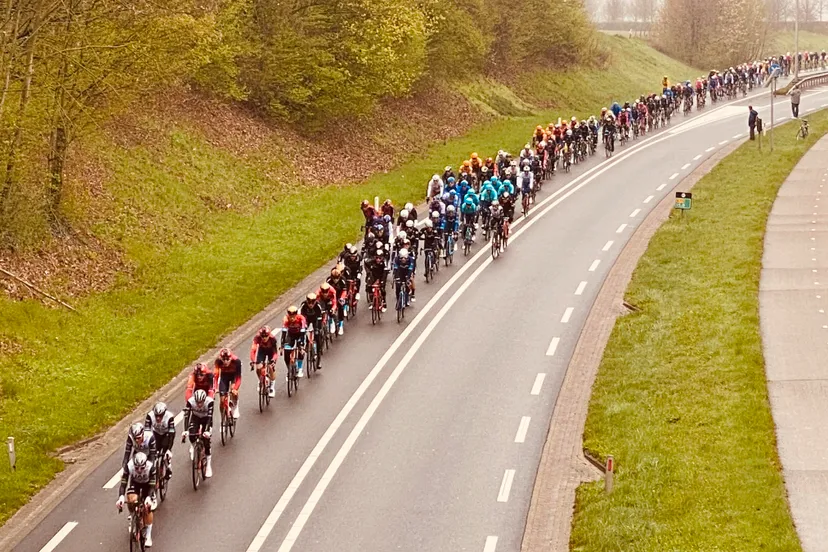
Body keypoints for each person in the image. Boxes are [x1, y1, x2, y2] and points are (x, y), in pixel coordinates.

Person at [116, 452, 157, 547]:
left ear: (145, 464)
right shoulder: (129, 466)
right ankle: (133, 515)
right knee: (131, 498)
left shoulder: (151, 467)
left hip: (148, 485)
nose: (139, 470)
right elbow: (124, 483)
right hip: (135, 484)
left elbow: (152, 485)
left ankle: (148, 535)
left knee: (148, 507)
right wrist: (121, 496)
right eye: (136, 468)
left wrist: (148, 498)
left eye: (142, 468)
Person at [182, 389, 214, 478]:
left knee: (206, 440)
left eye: (201, 402)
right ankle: (194, 445)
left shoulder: (209, 402)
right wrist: (185, 430)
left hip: (206, 419)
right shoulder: (190, 402)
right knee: (192, 434)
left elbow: (210, 417)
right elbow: (187, 416)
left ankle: (208, 465)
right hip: (195, 418)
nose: (199, 404)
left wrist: (207, 431)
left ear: (204, 400)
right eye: (198, 402)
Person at [144, 402, 175, 481]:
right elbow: (147, 432)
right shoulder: (150, 415)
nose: (158, 418)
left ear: (164, 414)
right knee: (152, 451)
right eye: (156, 416)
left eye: (160, 416)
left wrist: (169, 449)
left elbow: (172, 434)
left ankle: (168, 467)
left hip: (166, 434)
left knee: (165, 451)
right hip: (156, 434)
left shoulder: (169, 417)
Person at [249, 326, 278, 398]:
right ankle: (261, 380)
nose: (264, 338)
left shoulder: (272, 339)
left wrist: (273, 360)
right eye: (262, 336)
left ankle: (272, 387)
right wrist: (253, 361)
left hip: (271, 352)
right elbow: (253, 350)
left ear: (269, 335)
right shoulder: (257, 338)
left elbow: (275, 352)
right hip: (262, 351)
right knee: (258, 367)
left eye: (266, 336)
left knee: (271, 367)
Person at [280, 306, 308, 378]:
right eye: (290, 316)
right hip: (291, 335)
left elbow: (303, 332)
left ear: (296, 315)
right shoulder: (286, 319)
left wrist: (301, 345)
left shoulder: (301, 318)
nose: (292, 318)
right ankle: (289, 369)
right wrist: (282, 345)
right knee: (286, 351)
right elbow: (284, 333)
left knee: (300, 350)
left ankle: (300, 368)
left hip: (300, 335)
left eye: (293, 316)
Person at [214, 347, 241, 419]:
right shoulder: (218, 362)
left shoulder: (236, 361)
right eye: (224, 359)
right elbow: (216, 376)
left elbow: (238, 378)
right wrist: (215, 387)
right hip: (224, 377)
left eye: (227, 359)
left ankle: (235, 406)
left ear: (231, 358)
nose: (225, 362)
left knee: (233, 390)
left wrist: (235, 388)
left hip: (233, 377)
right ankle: (222, 418)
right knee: (222, 399)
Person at [301, 293, 325, 368]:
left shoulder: (318, 306)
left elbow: (320, 318)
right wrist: (303, 327)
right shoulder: (303, 305)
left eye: (312, 303)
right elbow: (301, 318)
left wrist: (318, 328)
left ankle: (318, 359)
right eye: (309, 303)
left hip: (316, 320)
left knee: (317, 336)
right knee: (303, 331)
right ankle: (307, 343)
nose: (311, 305)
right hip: (307, 319)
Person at [364, 246, 388, 311]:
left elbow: (385, 273)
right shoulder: (371, 261)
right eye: (376, 258)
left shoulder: (384, 263)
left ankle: (384, 302)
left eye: (379, 258)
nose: (378, 259)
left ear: (382, 258)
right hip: (374, 276)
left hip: (381, 276)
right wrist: (368, 272)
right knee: (369, 286)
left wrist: (382, 281)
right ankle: (371, 302)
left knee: (382, 288)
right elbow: (365, 262)